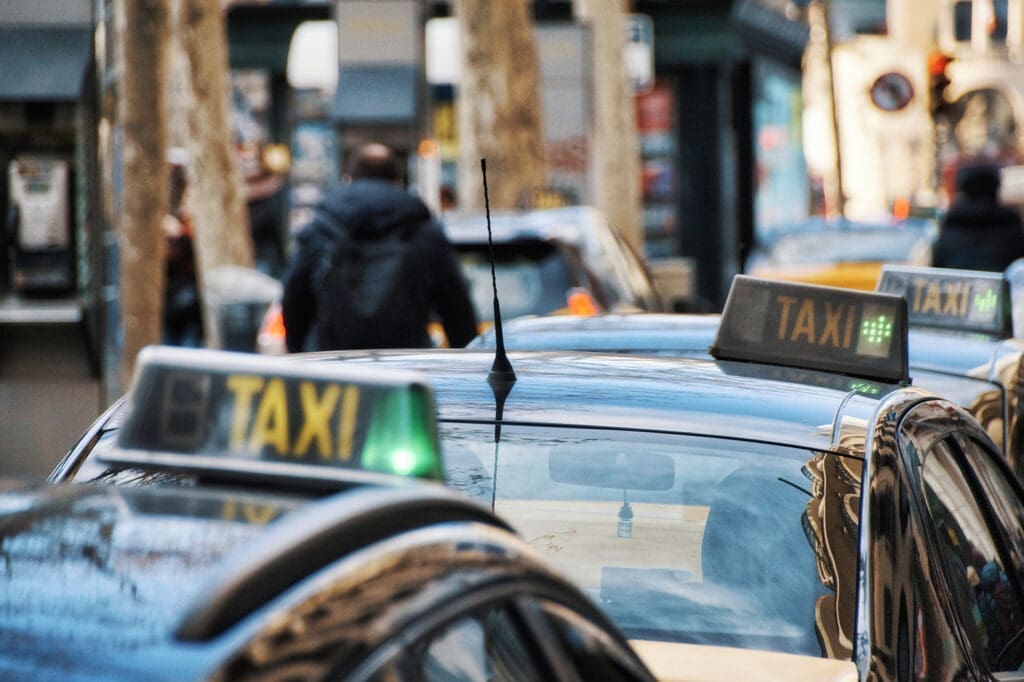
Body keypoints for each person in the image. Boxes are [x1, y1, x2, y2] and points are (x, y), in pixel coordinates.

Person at [281, 142, 478, 352]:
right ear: (398, 182)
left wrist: (300, 355)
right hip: (404, 368)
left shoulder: (319, 231)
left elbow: (294, 299)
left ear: (348, 180)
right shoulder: (423, 232)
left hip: (334, 371)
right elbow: (456, 307)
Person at [933, 162, 1024, 272]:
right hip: (998, 288)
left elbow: (939, 264)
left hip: (959, 287)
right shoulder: (1010, 222)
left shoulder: (952, 221)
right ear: (996, 188)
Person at [162, 157, 203, 347]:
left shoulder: (190, 213)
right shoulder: (166, 213)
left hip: (188, 293)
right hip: (172, 293)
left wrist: (180, 235)